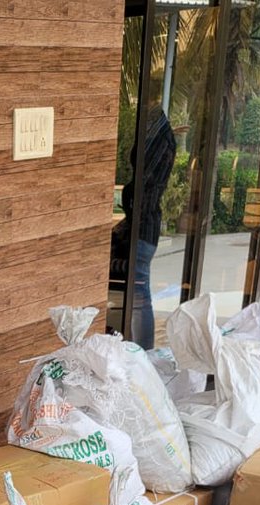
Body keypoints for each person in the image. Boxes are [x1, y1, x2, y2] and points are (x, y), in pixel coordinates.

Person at [111, 107, 177, 350]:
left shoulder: (160, 137)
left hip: (143, 229)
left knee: (139, 296)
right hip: (140, 226)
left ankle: (143, 354)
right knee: (137, 293)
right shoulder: (156, 130)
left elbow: (145, 186)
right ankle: (137, 351)